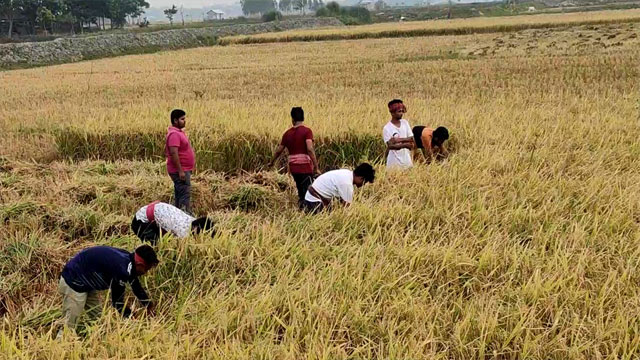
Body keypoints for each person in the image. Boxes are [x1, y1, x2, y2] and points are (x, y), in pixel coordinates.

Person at [57, 245, 159, 336]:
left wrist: (148, 305)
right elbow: (117, 302)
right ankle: (59, 348)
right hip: (74, 282)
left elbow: (135, 284)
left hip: (87, 283)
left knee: (97, 321)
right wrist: (132, 318)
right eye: (146, 269)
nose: (145, 273)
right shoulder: (121, 269)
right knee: (68, 328)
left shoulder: (128, 259)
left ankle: (93, 344)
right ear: (140, 264)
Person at [269, 107, 320, 209]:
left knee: (300, 189)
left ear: (292, 119)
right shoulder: (307, 131)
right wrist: (316, 166)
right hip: (305, 166)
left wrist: (271, 162)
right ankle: (308, 211)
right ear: (303, 118)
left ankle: (302, 208)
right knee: (308, 191)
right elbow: (309, 148)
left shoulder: (287, 134)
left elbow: (279, 150)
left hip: (293, 168)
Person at [303, 163, 375, 213]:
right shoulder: (347, 184)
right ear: (361, 178)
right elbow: (346, 209)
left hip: (310, 197)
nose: (363, 185)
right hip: (314, 202)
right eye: (364, 182)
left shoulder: (346, 173)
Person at [131, 201, 215, 244]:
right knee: (154, 246)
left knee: (162, 241)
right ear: (196, 229)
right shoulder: (183, 231)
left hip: (152, 213)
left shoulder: (192, 220)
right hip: (141, 221)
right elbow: (181, 250)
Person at [166, 109, 195, 214]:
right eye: (182, 119)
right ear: (175, 120)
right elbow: (174, 153)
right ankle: (185, 217)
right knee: (184, 195)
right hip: (180, 171)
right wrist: (180, 171)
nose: (184, 121)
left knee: (179, 194)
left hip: (183, 169)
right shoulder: (174, 134)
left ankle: (177, 216)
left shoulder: (178, 132)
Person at [383, 99, 414, 169]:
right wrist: (405, 144)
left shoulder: (405, 123)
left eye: (402, 111)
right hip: (394, 164)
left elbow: (411, 139)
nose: (401, 113)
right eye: (399, 111)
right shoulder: (387, 128)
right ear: (392, 113)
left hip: (407, 162)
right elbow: (390, 146)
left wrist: (397, 140)